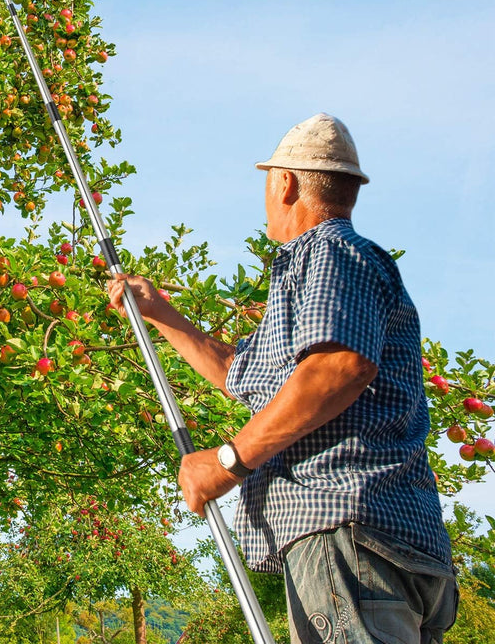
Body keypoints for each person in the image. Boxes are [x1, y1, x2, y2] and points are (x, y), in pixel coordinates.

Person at [107, 114, 457, 643]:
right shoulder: (322, 273)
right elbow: (242, 374)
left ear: (285, 183)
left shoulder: (329, 252)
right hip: (376, 546)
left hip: (347, 537)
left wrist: (227, 463)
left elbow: (338, 369)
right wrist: (162, 314)